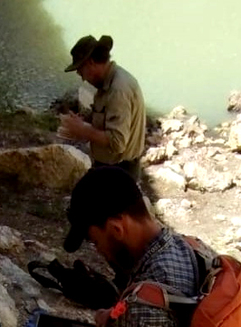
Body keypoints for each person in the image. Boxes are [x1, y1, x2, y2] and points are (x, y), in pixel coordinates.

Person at [63, 166, 209, 327]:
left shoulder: (144, 308)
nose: (100, 252)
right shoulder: (194, 248)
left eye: (95, 242)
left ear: (116, 229)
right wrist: (115, 316)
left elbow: (145, 313)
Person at [59, 35, 146, 181]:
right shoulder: (108, 82)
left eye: (81, 71)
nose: (83, 78)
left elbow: (117, 142)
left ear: (91, 63)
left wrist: (83, 130)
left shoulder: (118, 90)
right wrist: (84, 122)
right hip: (111, 168)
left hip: (119, 173)